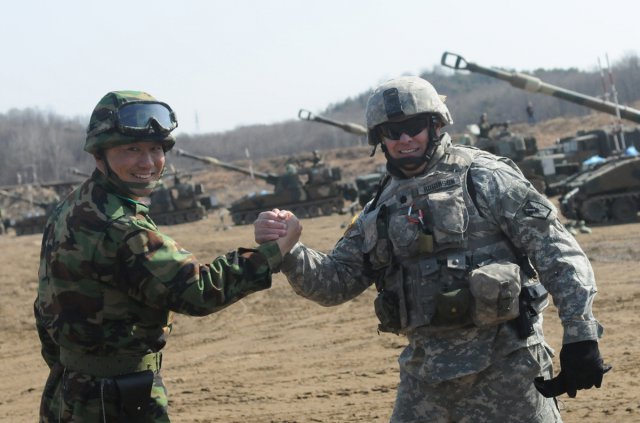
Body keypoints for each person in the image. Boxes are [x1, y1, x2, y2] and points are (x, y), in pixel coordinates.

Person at [255, 76, 609, 422]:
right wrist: (289, 249)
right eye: (393, 131)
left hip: (508, 371)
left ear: (436, 124)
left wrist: (581, 335)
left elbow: (558, 252)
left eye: (414, 127)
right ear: (379, 138)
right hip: (425, 381)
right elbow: (335, 282)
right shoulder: (378, 209)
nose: (405, 139)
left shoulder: (484, 178)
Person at [34, 90, 301, 422]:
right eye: (132, 149)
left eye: (156, 149)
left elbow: (44, 307)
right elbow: (199, 290)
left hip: (68, 391)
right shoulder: (123, 227)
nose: (148, 163)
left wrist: (73, 369)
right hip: (114, 399)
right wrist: (273, 252)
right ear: (99, 155)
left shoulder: (69, 207)